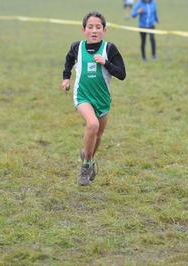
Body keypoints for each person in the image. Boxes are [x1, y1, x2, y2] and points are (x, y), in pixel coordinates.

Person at [61, 11, 126, 186]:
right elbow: (69, 60)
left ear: (104, 30)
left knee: (98, 135)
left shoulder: (109, 49)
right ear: (84, 30)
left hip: (102, 99)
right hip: (82, 96)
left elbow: (122, 74)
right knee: (92, 125)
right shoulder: (77, 47)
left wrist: (106, 63)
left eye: (98, 27)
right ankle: (86, 165)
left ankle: (88, 157)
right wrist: (66, 78)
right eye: (90, 27)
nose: (94, 30)